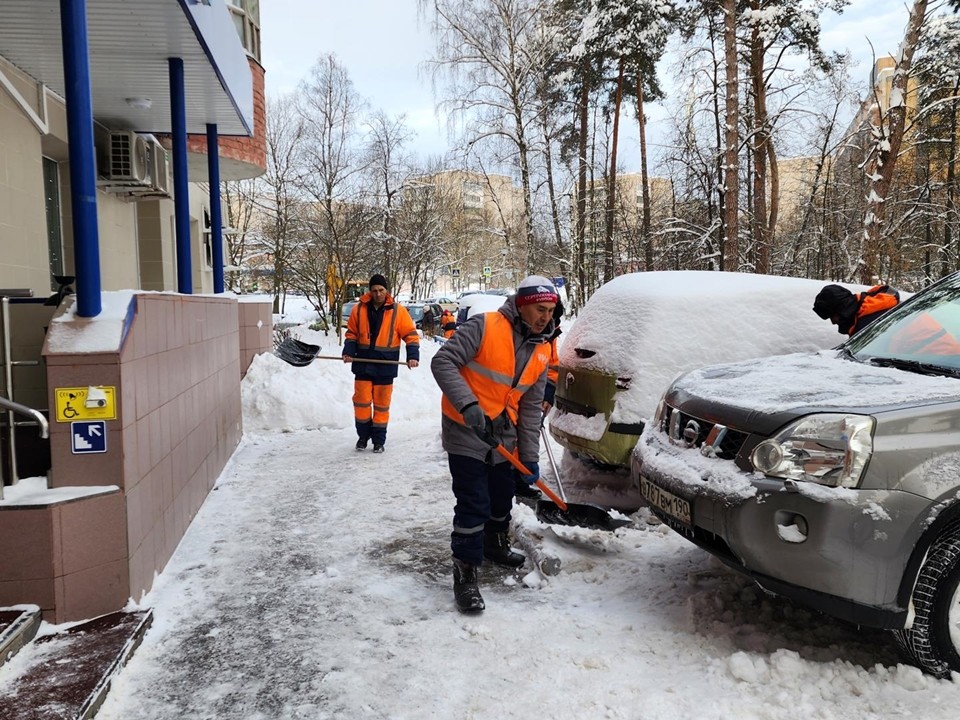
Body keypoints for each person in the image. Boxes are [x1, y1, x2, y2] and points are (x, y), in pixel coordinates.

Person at [431, 275, 558, 613]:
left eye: (551, 310)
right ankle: (466, 571)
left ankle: (493, 544)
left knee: (502, 497)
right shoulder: (484, 326)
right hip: (465, 429)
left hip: (503, 434)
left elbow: (530, 409)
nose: (546, 317)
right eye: (540, 309)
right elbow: (443, 362)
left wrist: (529, 459)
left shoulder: (542, 349)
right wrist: (467, 404)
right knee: (473, 502)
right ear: (522, 305)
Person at [343, 274, 420, 453]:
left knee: (381, 404)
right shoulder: (359, 309)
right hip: (363, 363)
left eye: (381, 290)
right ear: (369, 291)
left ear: (387, 291)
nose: (377, 294)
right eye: (374, 290)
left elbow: (410, 335)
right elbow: (351, 333)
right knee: (361, 402)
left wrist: (412, 356)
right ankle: (362, 436)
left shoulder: (398, 311)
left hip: (386, 365)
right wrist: (348, 352)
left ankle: (379, 441)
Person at [514, 298, 565, 501]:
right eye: (543, 312)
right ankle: (513, 478)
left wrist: (548, 393)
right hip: (513, 395)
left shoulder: (550, 334)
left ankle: (520, 479)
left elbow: (551, 366)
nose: (547, 320)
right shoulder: (519, 331)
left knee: (529, 433)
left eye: (552, 314)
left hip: (536, 394)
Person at [812, 283, 900, 336]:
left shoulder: (866, 326)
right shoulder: (869, 305)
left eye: (832, 316)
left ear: (842, 310)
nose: (833, 322)